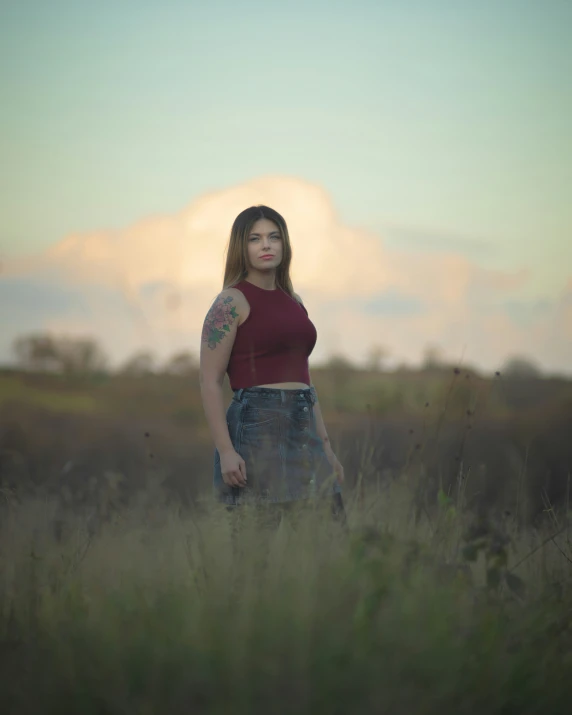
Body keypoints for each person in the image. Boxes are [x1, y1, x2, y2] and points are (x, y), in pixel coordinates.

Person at [199, 204, 346, 528]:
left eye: (273, 237)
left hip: (303, 426)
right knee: (257, 549)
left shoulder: (295, 302)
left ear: (284, 244)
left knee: (332, 535)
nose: (266, 245)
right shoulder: (230, 301)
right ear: (242, 247)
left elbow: (304, 378)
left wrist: (327, 448)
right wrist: (226, 451)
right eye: (255, 238)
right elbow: (209, 382)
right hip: (255, 430)